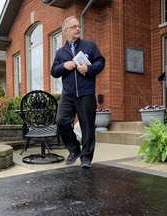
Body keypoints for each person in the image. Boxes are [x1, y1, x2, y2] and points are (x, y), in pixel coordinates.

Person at [51, 16, 105, 168]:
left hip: (86, 93)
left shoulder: (89, 46)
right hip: (68, 95)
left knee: (87, 127)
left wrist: (89, 69)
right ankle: (74, 149)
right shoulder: (60, 52)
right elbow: (54, 71)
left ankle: (86, 158)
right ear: (65, 31)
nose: (78, 29)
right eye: (74, 27)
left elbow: (101, 62)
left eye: (78, 26)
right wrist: (63, 66)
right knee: (61, 121)